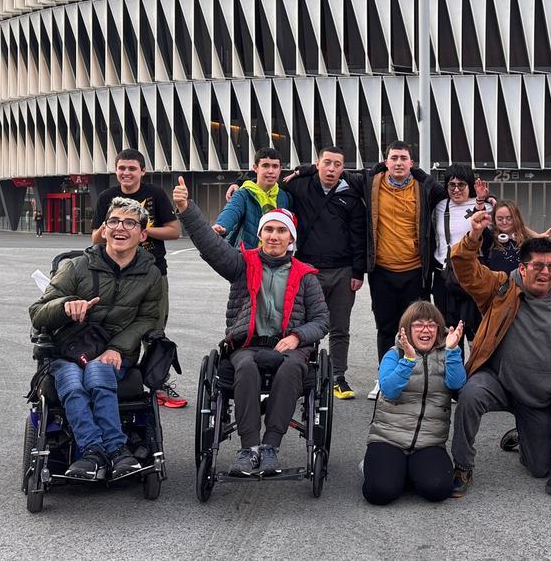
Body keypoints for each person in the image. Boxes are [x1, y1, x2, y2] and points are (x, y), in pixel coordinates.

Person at [172, 177, 329, 476]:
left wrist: (297, 337)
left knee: (292, 368)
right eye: (268, 230)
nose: (274, 236)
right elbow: (210, 245)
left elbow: (322, 320)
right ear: (260, 234)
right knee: (244, 367)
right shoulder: (242, 264)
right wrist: (186, 208)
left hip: (289, 346)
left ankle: (271, 446)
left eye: (281, 231)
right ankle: (250, 449)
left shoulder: (306, 275)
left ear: (291, 239)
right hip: (248, 344)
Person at [448, 210, 551, 498]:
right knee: (470, 395)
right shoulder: (501, 287)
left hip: (538, 397)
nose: (545, 272)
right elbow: (465, 269)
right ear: (522, 268)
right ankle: (462, 466)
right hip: (498, 381)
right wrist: (473, 237)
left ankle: (523, 436)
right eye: (537, 265)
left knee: (540, 468)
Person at [289, 141, 447, 400]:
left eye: (403, 158)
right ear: (385, 161)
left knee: (417, 327)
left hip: (415, 270)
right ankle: (385, 378)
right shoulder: (370, 182)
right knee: (385, 327)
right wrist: (304, 169)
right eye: (394, 158)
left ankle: (416, 379)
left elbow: (456, 192)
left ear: (411, 163)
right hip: (382, 270)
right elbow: (329, 169)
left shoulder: (426, 187)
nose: (398, 163)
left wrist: (485, 200)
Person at [29, 197, 163, 480]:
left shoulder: (150, 275)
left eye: (130, 223)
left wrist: (117, 348)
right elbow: (38, 313)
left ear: (143, 234)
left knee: (97, 371)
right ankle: (106, 451)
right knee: (73, 381)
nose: (120, 228)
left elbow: (148, 320)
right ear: (104, 230)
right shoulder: (76, 267)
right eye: (114, 221)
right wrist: (65, 306)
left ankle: (102, 452)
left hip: (115, 353)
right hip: (68, 351)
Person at [91, 149, 183, 407]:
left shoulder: (155, 194)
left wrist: (141, 229)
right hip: (115, 273)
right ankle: (117, 379)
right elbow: (95, 238)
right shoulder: (107, 198)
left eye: (132, 168)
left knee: (154, 331)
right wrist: (114, 227)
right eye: (122, 168)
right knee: (116, 325)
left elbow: (174, 231)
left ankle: (157, 384)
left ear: (143, 171)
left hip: (153, 272)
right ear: (116, 170)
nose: (126, 173)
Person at [277, 146, 367, 400]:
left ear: (343, 168)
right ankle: (302, 374)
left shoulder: (351, 194)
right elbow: (268, 181)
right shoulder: (299, 185)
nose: (331, 169)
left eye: (337, 164)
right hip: (307, 270)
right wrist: (240, 183)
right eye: (327, 162)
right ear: (317, 164)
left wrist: (358, 271)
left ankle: (338, 377)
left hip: (343, 271)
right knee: (303, 326)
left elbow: (358, 235)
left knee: (340, 327)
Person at [363, 302, 467, 505]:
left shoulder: (447, 355)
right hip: (388, 438)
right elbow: (389, 391)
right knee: (379, 492)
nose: (426, 330)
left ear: (439, 329)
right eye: (419, 325)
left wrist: (453, 350)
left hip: (429, 442)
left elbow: (457, 384)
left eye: (432, 325)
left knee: (438, 489)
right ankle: (389, 469)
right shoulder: (394, 354)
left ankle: (405, 471)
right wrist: (408, 362)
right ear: (407, 329)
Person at [430, 164, 492, 330]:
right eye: (452, 185)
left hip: (473, 273)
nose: (456, 190)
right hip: (444, 274)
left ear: (470, 185)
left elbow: (503, 227)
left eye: (461, 185)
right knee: (446, 329)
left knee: (476, 329)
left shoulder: (486, 206)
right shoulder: (440, 206)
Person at [213, 148, 294, 249]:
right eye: (265, 166)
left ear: (280, 169)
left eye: (275, 166)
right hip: (247, 255)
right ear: (255, 168)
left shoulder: (285, 197)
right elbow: (232, 210)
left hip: (276, 255)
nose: (271, 171)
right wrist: (222, 226)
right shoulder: (243, 194)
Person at [479, 200, 551, 274]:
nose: (504, 222)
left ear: (516, 218)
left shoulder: (527, 241)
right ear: (494, 220)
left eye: (509, 218)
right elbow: (479, 221)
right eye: (500, 219)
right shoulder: (490, 237)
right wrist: (480, 199)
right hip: (496, 283)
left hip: (521, 283)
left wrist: (539, 238)